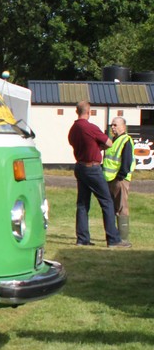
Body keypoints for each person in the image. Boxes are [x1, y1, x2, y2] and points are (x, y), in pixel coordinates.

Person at [67, 101, 128, 247]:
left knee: (82, 204)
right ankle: (113, 239)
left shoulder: (74, 129)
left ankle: (82, 239)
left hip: (80, 167)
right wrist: (97, 146)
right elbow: (109, 143)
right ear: (88, 112)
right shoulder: (91, 127)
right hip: (92, 168)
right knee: (107, 202)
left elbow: (72, 143)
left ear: (77, 111)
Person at [103, 116, 133, 243]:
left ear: (123, 126)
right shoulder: (113, 140)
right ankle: (114, 236)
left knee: (122, 208)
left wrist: (120, 176)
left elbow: (126, 161)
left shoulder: (125, 140)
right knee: (112, 208)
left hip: (119, 180)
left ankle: (123, 238)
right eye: (112, 125)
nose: (113, 127)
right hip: (109, 179)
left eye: (115, 125)